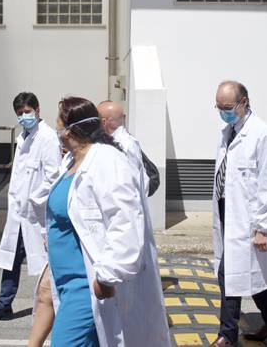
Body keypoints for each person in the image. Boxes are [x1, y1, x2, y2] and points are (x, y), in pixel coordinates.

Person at [32, 96, 170, 347]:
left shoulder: (107, 161)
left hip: (87, 285)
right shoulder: (71, 161)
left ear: (70, 129)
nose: (55, 128)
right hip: (64, 282)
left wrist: (108, 275)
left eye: (58, 122)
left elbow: (125, 220)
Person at [0, 92, 62, 322]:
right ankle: (4, 305)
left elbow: (53, 177)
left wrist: (33, 199)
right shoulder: (23, 137)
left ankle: (56, 305)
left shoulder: (47, 138)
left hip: (36, 214)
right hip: (19, 213)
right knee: (11, 257)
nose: (24, 116)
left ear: (37, 109)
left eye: (27, 112)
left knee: (48, 263)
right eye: (20, 113)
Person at [211, 81, 267, 347]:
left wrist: (263, 227)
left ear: (243, 102)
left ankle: (227, 335)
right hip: (227, 211)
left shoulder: (264, 135)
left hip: (247, 218)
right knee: (249, 273)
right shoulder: (228, 132)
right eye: (218, 107)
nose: (223, 112)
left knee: (229, 273)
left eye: (227, 107)